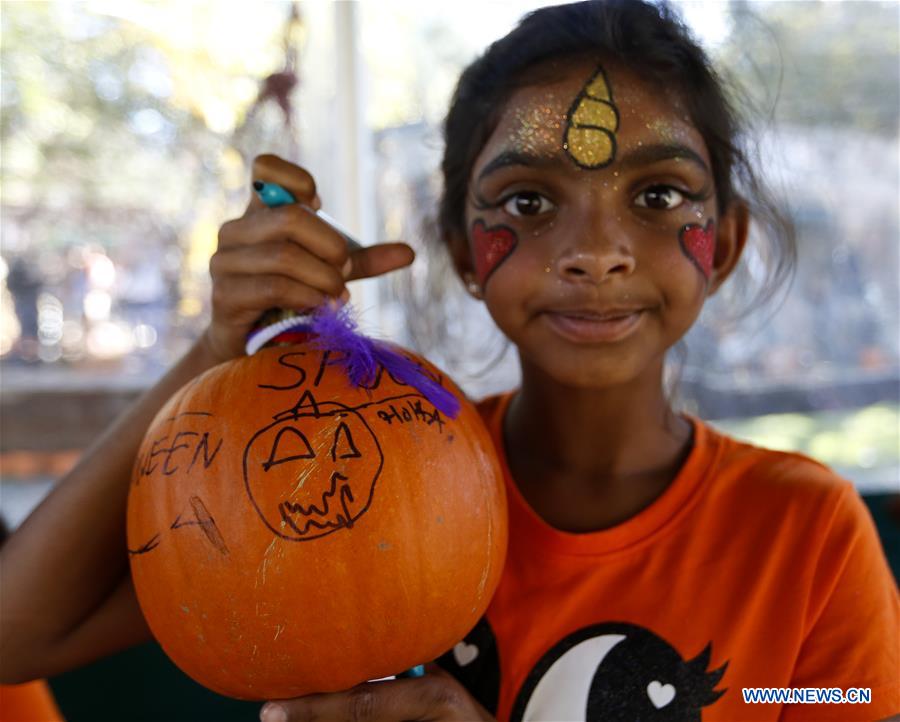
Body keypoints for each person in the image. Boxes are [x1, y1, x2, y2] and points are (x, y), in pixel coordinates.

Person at [1, 1, 897, 721]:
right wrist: (220, 345)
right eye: (529, 199)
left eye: (659, 195)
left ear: (725, 244)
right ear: (466, 252)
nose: (595, 251)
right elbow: (17, 638)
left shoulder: (807, 538)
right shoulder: (368, 472)